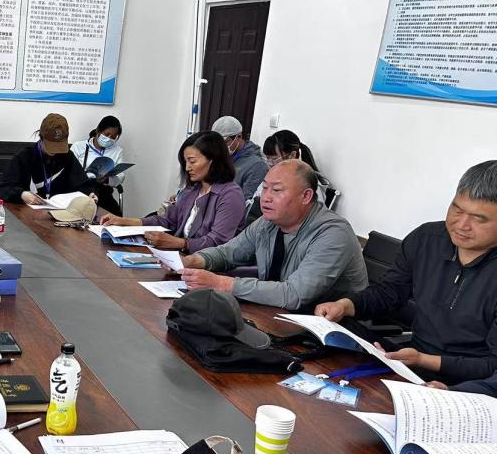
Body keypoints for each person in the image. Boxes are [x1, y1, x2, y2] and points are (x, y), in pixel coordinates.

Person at [315, 161, 497, 384]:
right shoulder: (427, 239)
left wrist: (423, 360)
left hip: (473, 383)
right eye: (457, 210)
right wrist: (345, 305)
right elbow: (389, 292)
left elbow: (492, 365)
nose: (462, 225)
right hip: (411, 363)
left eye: (479, 219)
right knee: (331, 336)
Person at [179, 160, 367, 310]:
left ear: (306, 196)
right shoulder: (267, 222)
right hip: (277, 314)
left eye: (276, 190)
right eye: (265, 188)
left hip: (330, 328)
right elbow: (227, 253)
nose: (266, 197)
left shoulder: (333, 234)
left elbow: (294, 295)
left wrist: (222, 284)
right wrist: (192, 261)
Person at [101, 131, 244, 252]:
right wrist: (123, 221)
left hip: (205, 267)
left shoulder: (231, 195)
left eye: (192, 161)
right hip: (180, 258)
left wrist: (178, 243)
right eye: (185, 162)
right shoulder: (193, 189)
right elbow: (167, 220)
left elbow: (217, 242)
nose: (187, 168)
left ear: (213, 160)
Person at [0, 113, 95, 205]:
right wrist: (22, 194)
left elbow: (82, 184)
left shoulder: (67, 156)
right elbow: (3, 187)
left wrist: (89, 194)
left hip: (61, 212)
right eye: (51, 145)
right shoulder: (25, 157)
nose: (55, 150)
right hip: (27, 211)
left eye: (59, 146)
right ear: (41, 137)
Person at [71, 116, 126, 216]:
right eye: (106, 134)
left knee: (115, 217)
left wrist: (107, 180)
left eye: (113, 137)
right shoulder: (79, 146)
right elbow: (69, 171)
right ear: (98, 130)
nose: (109, 139)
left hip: (104, 192)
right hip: (81, 191)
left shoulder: (117, 151)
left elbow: (121, 176)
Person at [210, 115, 267, 204]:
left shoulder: (256, 165)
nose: (220, 147)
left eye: (225, 142)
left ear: (239, 137)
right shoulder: (223, 156)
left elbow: (246, 202)